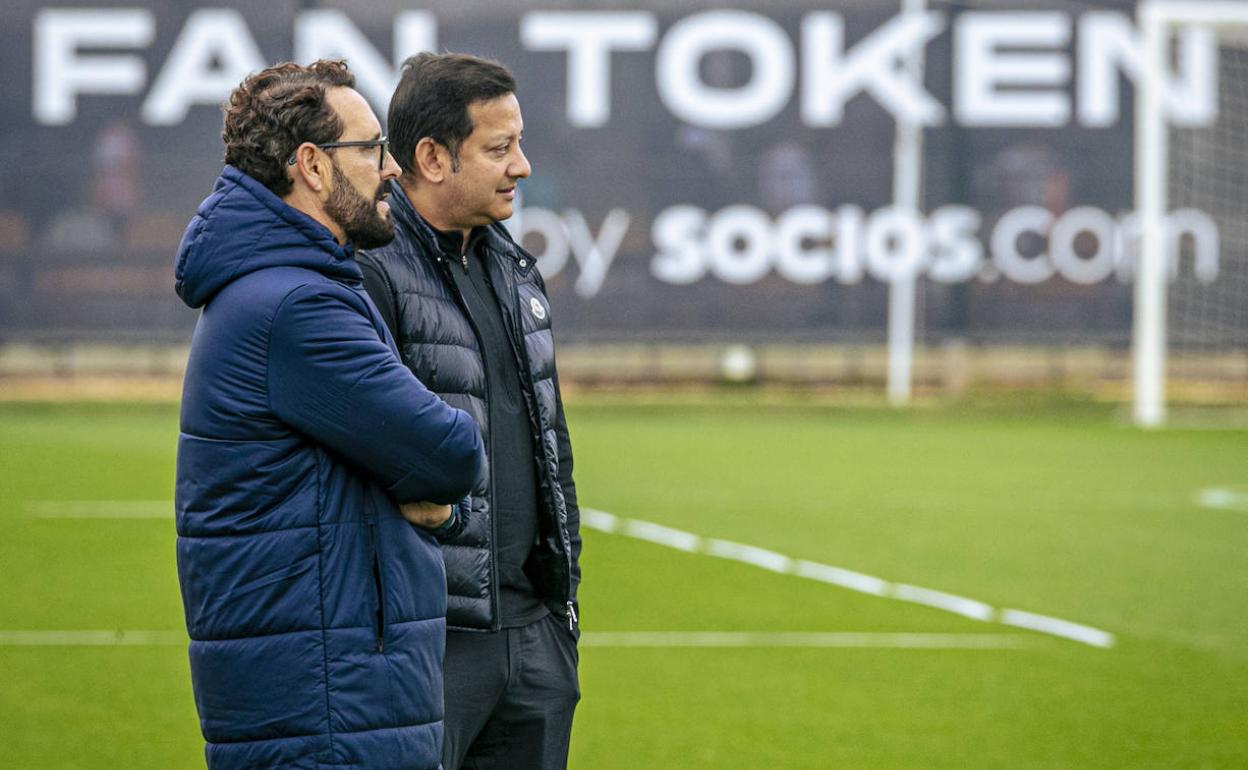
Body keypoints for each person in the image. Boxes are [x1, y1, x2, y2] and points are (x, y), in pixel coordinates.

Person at [173, 59, 483, 770]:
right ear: (311, 165)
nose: (392, 171)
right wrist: (437, 498)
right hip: (328, 706)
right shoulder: (297, 308)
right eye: (371, 148)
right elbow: (451, 452)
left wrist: (438, 505)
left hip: (326, 691)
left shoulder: (291, 288)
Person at [358, 52, 582, 770]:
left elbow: (552, 443)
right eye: (499, 147)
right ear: (431, 157)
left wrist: (557, 615)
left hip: (534, 635)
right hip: (429, 642)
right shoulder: (368, 274)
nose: (521, 165)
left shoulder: (515, 268)